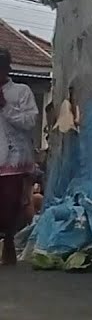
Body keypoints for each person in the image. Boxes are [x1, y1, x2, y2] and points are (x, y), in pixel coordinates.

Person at [0, 49, 39, 266]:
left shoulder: (21, 92)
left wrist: (5, 108)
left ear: (6, 70)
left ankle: (8, 242)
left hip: (14, 160)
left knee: (10, 205)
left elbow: (30, 121)